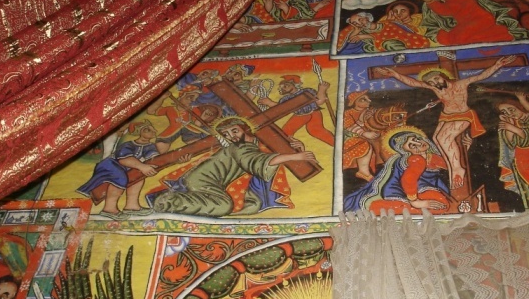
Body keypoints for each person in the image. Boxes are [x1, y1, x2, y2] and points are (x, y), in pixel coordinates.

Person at [376, 55, 516, 190]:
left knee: (445, 138)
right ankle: (450, 167)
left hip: (463, 115)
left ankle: (457, 168)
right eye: (431, 83)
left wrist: (498, 65)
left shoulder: (461, 84)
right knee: (437, 138)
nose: (435, 83)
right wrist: (395, 74)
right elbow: (414, 82)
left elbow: (481, 76)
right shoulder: (435, 89)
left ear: (442, 76)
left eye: (436, 79)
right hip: (446, 116)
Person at [151, 117, 317, 217]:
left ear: (245, 129)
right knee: (223, 205)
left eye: (235, 131)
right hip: (204, 181)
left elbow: (268, 158)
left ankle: (176, 200)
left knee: (249, 205)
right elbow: (257, 162)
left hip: (213, 182)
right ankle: (168, 202)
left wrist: (297, 150)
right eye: (227, 134)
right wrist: (296, 156)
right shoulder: (240, 147)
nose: (232, 136)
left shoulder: (256, 145)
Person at [77, 120, 171, 219]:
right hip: (110, 164)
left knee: (138, 176)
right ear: (139, 132)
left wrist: (175, 159)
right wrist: (142, 166)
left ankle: (132, 206)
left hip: (127, 168)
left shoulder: (150, 146)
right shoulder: (128, 144)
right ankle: (109, 209)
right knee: (120, 177)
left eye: (153, 129)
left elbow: (154, 159)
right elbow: (124, 160)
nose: (153, 131)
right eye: (148, 130)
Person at [344, 128, 450, 214]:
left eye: (416, 139)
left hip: (418, 190)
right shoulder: (416, 159)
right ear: (406, 151)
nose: (419, 143)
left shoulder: (432, 157)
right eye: (412, 145)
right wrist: (415, 202)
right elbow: (408, 179)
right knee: (442, 206)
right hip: (408, 193)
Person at [258, 75, 335, 147]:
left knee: (314, 131)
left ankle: (336, 144)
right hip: (300, 115)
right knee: (287, 132)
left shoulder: (306, 91)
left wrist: (322, 89)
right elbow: (281, 108)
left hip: (313, 113)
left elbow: (319, 101)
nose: (283, 88)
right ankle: (288, 146)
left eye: (286, 85)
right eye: (282, 87)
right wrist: (268, 102)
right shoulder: (286, 98)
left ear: (294, 84)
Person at [336, 12, 429, 54]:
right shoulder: (361, 32)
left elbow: (398, 36)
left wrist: (368, 36)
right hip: (379, 54)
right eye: (355, 23)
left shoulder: (386, 24)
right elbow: (349, 45)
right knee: (368, 48)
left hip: (401, 47)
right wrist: (356, 31)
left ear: (367, 18)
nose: (360, 23)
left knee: (388, 44)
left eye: (360, 20)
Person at [342, 91, 382, 181]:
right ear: (355, 102)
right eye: (363, 99)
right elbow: (350, 126)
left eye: (368, 99)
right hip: (351, 137)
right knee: (364, 144)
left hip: (369, 135)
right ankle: (363, 172)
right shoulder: (348, 113)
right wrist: (364, 133)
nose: (369, 100)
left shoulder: (370, 111)